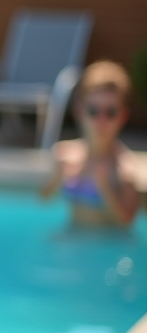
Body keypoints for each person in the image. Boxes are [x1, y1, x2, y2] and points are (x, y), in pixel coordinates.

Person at [40, 61, 140, 228]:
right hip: (73, 239)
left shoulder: (124, 167)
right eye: (93, 111)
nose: (101, 120)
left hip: (108, 247)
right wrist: (58, 177)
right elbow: (44, 199)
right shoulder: (66, 153)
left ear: (123, 115)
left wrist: (105, 187)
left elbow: (127, 221)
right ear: (80, 111)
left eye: (111, 112)